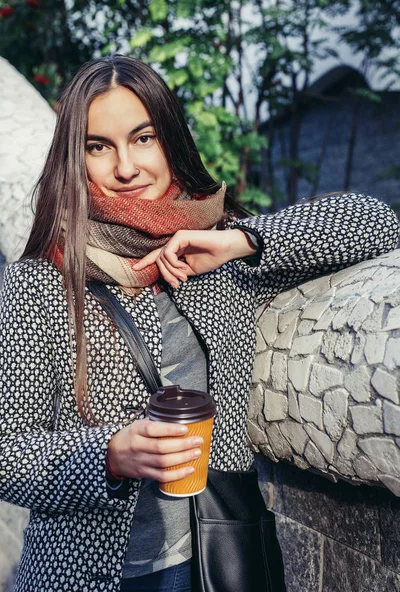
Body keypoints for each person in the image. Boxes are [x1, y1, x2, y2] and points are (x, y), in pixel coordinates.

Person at [0, 55, 398, 592]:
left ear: (171, 140)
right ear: (75, 158)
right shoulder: (40, 283)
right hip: (87, 574)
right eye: (99, 146)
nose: (126, 166)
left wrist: (243, 241)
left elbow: (375, 222)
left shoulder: (217, 260)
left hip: (215, 559)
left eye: (144, 138)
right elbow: (9, 453)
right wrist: (110, 455)